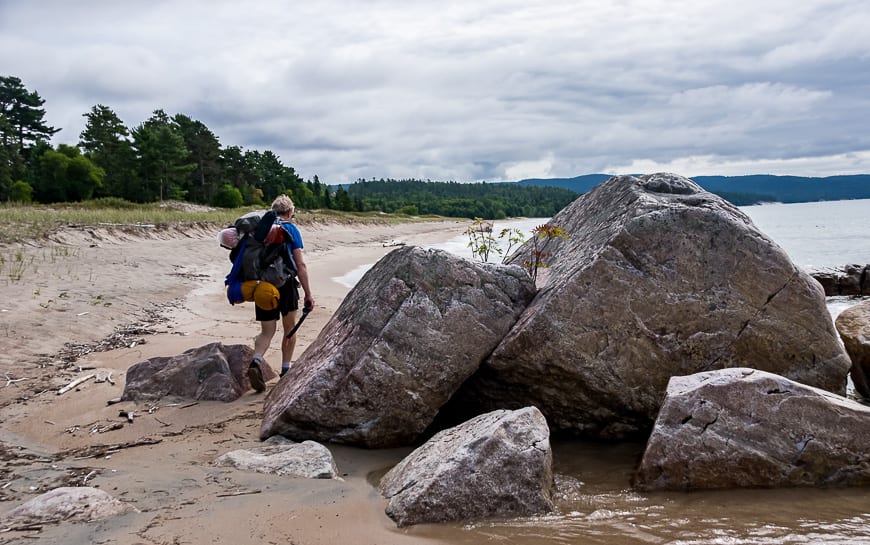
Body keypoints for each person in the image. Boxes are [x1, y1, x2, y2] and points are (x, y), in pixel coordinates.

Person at [246, 195, 315, 392]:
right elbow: (300, 264)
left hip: (262, 287)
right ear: (290, 212)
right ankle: (286, 370)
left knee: (267, 331)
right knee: (289, 329)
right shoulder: (290, 229)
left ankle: (256, 361)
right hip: (285, 286)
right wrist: (308, 293)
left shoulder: (259, 230)